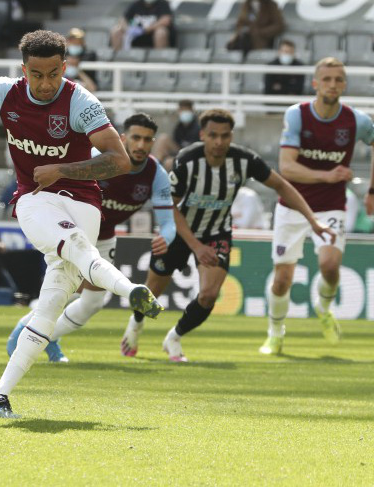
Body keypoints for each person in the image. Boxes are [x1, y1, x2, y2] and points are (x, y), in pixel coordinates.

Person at [0, 29, 163, 418]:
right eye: (37, 75)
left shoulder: (80, 101)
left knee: (50, 306)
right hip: (34, 197)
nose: (45, 82)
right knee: (78, 251)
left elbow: (119, 160)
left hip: (85, 202)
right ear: (24, 70)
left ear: (64, 67)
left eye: (53, 73)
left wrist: (63, 168)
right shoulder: (3, 92)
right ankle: (129, 288)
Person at [120, 108, 337, 362]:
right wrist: (195, 245)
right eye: (213, 135)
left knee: (209, 295)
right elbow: (170, 207)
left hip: (217, 233)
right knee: (152, 290)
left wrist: (312, 220)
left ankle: (174, 337)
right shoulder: (187, 160)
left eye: (225, 136)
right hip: (180, 230)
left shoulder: (244, 161)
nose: (219, 142)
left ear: (231, 136)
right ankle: (135, 324)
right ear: (202, 135)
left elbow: (281, 185)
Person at [5, 112, 176, 362]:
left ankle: (48, 338)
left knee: (94, 302)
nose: (141, 145)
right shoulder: (96, 161)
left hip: (104, 237)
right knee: (64, 291)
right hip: (73, 232)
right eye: (136, 138)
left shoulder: (155, 174)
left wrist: (166, 237)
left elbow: (168, 223)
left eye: (147, 140)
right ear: (123, 138)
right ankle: (22, 337)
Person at [261, 57, 374, 356]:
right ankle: (275, 333)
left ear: (344, 84)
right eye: (326, 79)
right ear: (315, 84)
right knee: (282, 280)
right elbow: (286, 168)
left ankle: (323, 307)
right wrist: (327, 175)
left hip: (331, 205)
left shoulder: (356, 120)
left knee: (330, 267)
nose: (332, 84)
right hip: (293, 204)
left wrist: (373, 192)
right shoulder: (297, 115)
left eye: (338, 79)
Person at [152, 99, 200, 171]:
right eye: (182, 110)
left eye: (187, 110)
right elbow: (176, 144)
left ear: (192, 111)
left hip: (192, 156)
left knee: (169, 163)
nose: (184, 113)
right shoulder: (179, 126)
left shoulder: (198, 127)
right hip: (179, 152)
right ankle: (153, 165)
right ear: (179, 111)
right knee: (163, 138)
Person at [110, 0, 175, 50]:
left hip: (152, 36)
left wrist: (146, 30)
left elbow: (166, 20)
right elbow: (123, 19)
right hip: (135, 37)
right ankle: (119, 60)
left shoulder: (162, 4)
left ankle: (160, 59)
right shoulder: (136, 4)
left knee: (161, 32)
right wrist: (128, 29)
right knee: (116, 30)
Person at [64, 28, 98, 92]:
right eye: (72, 40)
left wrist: (77, 70)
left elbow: (92, 88)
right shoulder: (62, 53)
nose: (75, 42)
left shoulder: (89, 54)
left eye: (78, 40)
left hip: (85, 86)